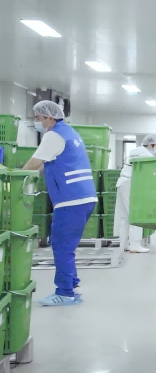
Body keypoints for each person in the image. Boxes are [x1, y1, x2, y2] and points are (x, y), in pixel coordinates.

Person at [22, 100, 98, 307]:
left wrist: (15, 175)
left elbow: (34, 163)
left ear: (49, 117)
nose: (36, 122)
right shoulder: (69, 132)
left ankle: (65, 293)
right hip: (84, 197)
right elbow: (46, 164)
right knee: (67, 246)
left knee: (62, 246)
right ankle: (73, 285)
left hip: (70, 199)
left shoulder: (53, 135)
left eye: (38, 118)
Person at [114, 135, 156, 253]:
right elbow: (151, 173)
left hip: (122, 182)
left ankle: (123, 244)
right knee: (135, 214)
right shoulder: (147, 155)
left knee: (124, 216)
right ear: (151, 144)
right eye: (155, 145)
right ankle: (135, 245)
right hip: (131, 183)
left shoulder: (134, 151)